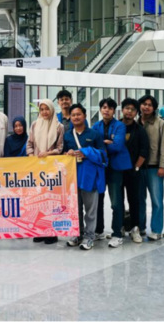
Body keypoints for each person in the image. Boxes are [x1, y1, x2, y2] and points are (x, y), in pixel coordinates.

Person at [64, 104, 106, 251]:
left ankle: (89, 237)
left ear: (85, 116)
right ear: (70, 117)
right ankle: (77, 234)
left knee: (90, 210)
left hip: (89, 177)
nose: (76, 117)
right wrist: (67, 154)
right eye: (73, 115)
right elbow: (63, 155)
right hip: (73, 176)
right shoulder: (67, 135)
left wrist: (86, 152)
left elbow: (103, 155)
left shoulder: (94, 134)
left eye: (79, 114)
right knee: (75, 208)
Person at [93, 98, 132, 248]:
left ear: (114, 111)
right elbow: (92, 145)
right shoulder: (95, 126)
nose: (106, 110)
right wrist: (108, 142)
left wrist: (102, 145)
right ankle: (98, 231)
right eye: (104, 107)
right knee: (98, 199)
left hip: (115, 167)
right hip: (100, 167)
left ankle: (117, 233)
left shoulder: (120, 126)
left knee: (116, 202)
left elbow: (117, 146)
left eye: (110, 108)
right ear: (100, 109)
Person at [27, 98, 64, 245]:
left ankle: (52, 233)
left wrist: (48, 153)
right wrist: (32, 157)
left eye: (46, 109)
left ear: (52, 109)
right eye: (41, 109)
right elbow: (29, 145)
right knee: (38, 200)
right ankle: (40, 231)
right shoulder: (35, 124)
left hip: (52, 169)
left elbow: (60, 148)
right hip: (37, 169)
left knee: (51, 201)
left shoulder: (59, 126)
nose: (44, 112)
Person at [138, 94, 164, 241]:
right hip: (138, 168)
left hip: (154, 167)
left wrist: (162, 166)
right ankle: (140, 227)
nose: (146, 107)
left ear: (154, 108)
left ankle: (156, 230)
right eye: (144, 104)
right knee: (139, 199)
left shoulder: (160, 123)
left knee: (157, 200)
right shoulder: (135, 123)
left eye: (150, 105)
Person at [120, 98, 149, 244]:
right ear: (122, 110)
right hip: (117, 171)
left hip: (134, 171)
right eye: (127, 108)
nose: (129, 111)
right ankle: (119, 227)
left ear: (136, 112)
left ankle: (135, 228)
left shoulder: (140, 130)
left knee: (134, 200)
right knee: (118, 201)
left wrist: (137, 167)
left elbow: (144, 151)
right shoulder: (116, 126)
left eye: (132, 109)